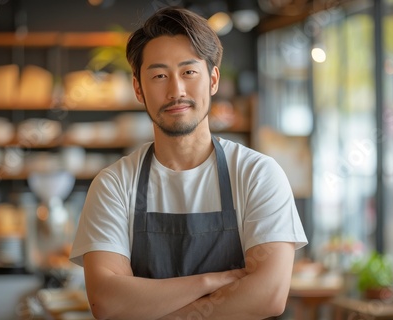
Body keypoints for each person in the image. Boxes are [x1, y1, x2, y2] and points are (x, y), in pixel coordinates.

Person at [69, 6, 308, 320]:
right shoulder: (114, 184)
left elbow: (269, 296)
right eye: (159, 76)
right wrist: (209, 282)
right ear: (138, 88)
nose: (176, 90)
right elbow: (108, 302)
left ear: (213, 79)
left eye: (189, 72)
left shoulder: (257, 174)